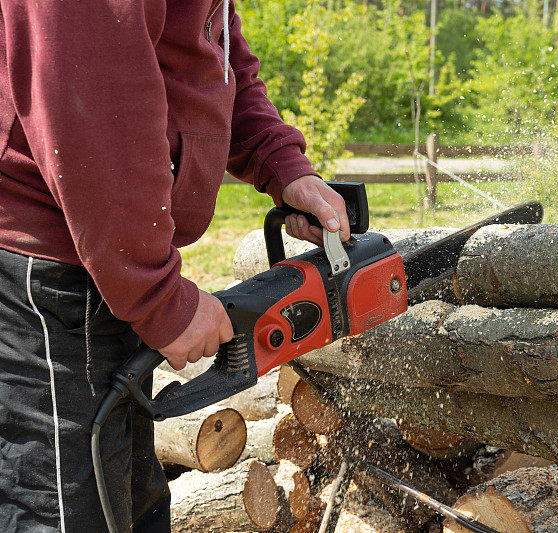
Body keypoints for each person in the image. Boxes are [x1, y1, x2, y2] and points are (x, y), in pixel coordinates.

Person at [0, 1, 348, 531]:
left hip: (111, 265)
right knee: (69, 511)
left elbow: (210, 52)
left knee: (132, 511)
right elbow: (91, 100)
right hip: (53, 271)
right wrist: (161, 299)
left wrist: (280, 162)